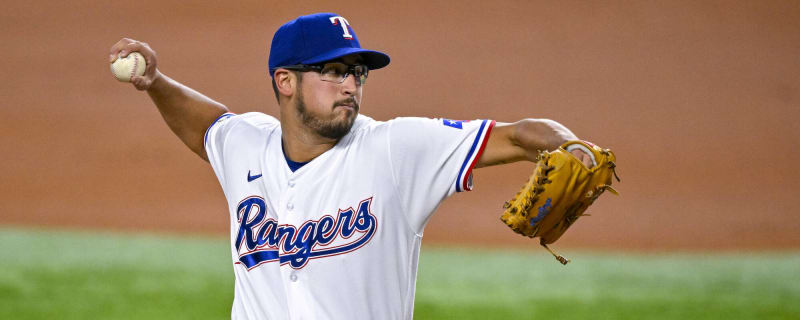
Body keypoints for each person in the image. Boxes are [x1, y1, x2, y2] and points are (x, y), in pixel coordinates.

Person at [109, 12, 593, 320]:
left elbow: (522, 132)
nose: (351, 86)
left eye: (357, 73)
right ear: (285, 81)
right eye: (334, 71)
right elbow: (205, 126)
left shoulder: (397, 149)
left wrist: (572, 148)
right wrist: (154, 81)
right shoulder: (246, 146)